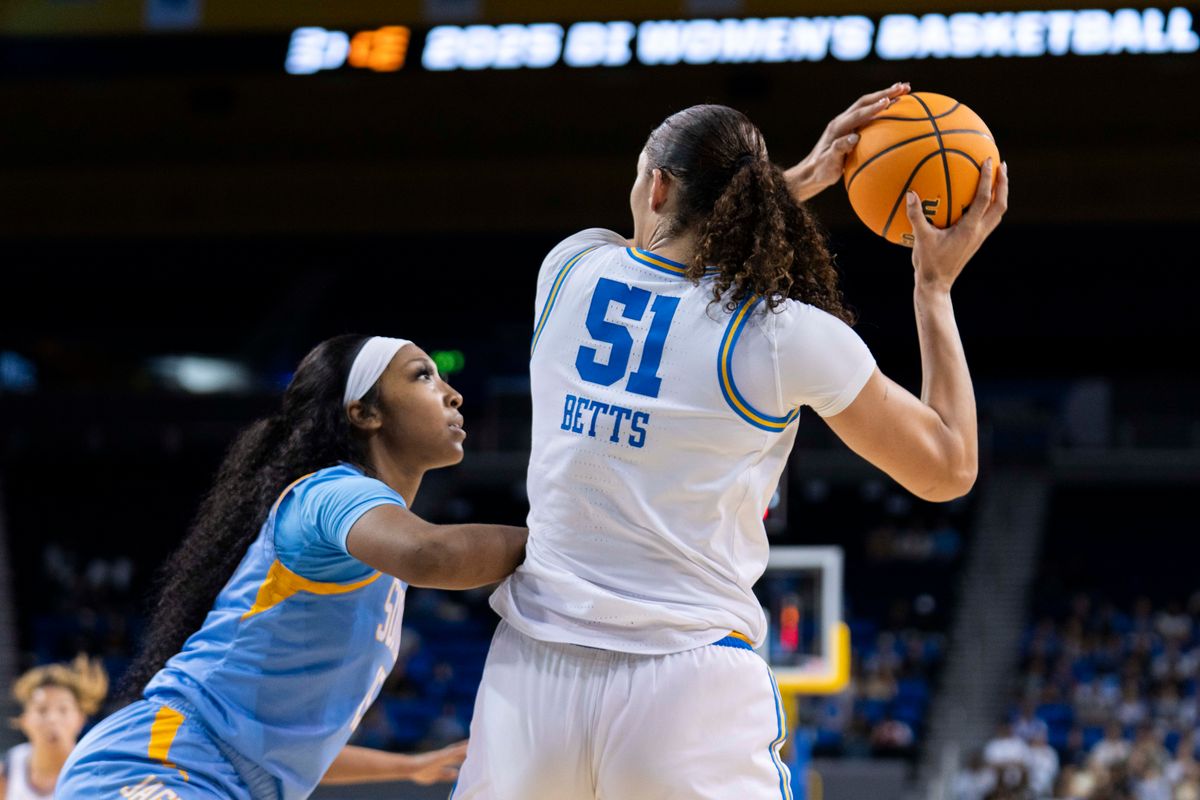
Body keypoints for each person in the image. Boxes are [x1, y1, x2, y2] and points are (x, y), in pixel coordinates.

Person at [453, 83, 1009, 799]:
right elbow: (950, 467)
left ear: (656, 187)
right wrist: (933, 290)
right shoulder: (784, 336)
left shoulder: (568, 270)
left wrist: (798, 178)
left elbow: (677, 252)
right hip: (683, 687)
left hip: (531, 678)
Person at [56, 335, 528, 799]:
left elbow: (280, 754)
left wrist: (411, 766)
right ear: (364, 412)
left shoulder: (370, 551)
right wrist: (562, 546)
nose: (452, 392)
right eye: (423, 375)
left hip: (215, 775)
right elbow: (434, 556)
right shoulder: (329, 492)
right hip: (155, 765)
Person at [0, 656, 107, 799]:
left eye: (63, 710)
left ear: (80, 720)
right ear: (24, 720)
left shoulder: (96, 772)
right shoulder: (7, 771)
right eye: (42, 710)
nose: (52, 719)